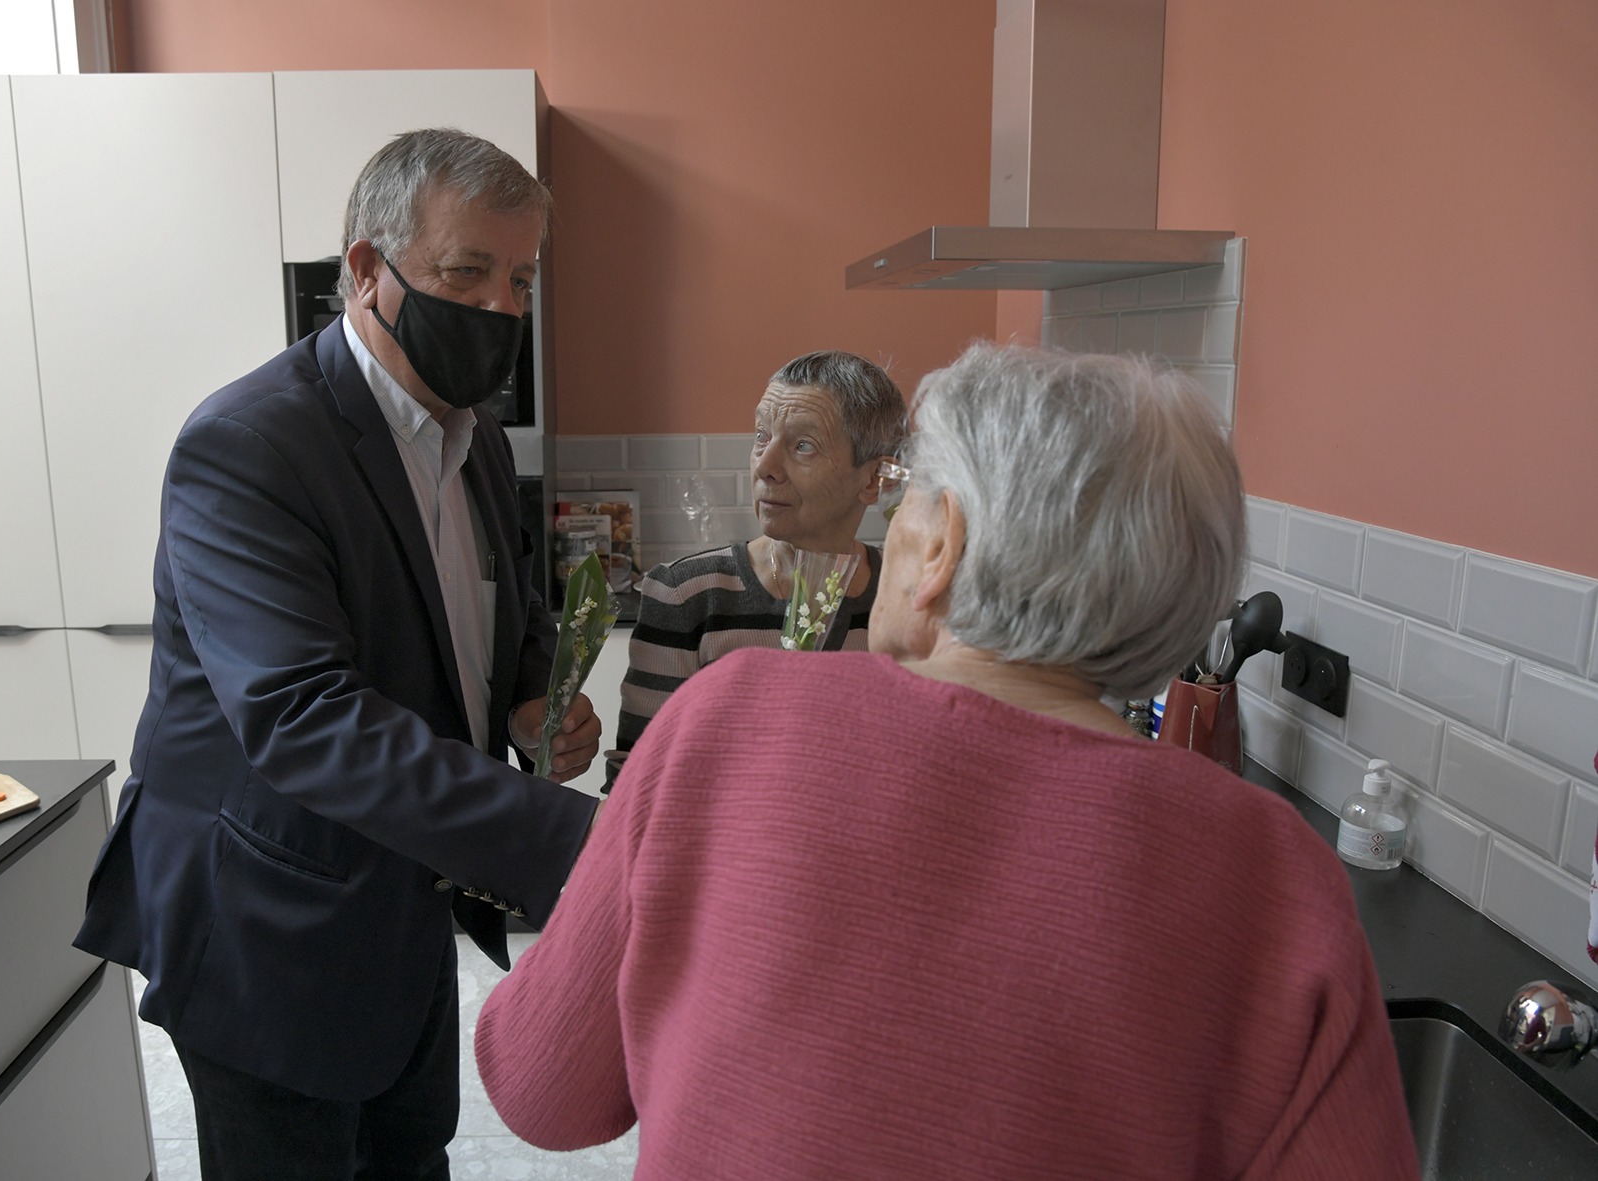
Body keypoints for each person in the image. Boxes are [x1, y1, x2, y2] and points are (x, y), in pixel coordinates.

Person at [475, 344, 1419, 1179]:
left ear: (942, 546)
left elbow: (538, 1088)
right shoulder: (1277, 871)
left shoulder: (728, 718)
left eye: (910, 494)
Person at [72, 129, 604, 1181]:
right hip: (266, 917)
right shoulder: (248, 445)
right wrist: (585, 844)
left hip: (406, 895)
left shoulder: (477, 438)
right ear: (366, 270)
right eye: (467, 271)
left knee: (409, 1155)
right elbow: (302, 716)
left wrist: (531, 693)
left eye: (520, 280)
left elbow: (498, 603)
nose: (499, 308)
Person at [604, 349, 906, 789]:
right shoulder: (685, 594)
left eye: (803, 445)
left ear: (874, 480)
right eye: (762, 436)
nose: (765, 466)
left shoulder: (906, 599)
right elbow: (635, 786)